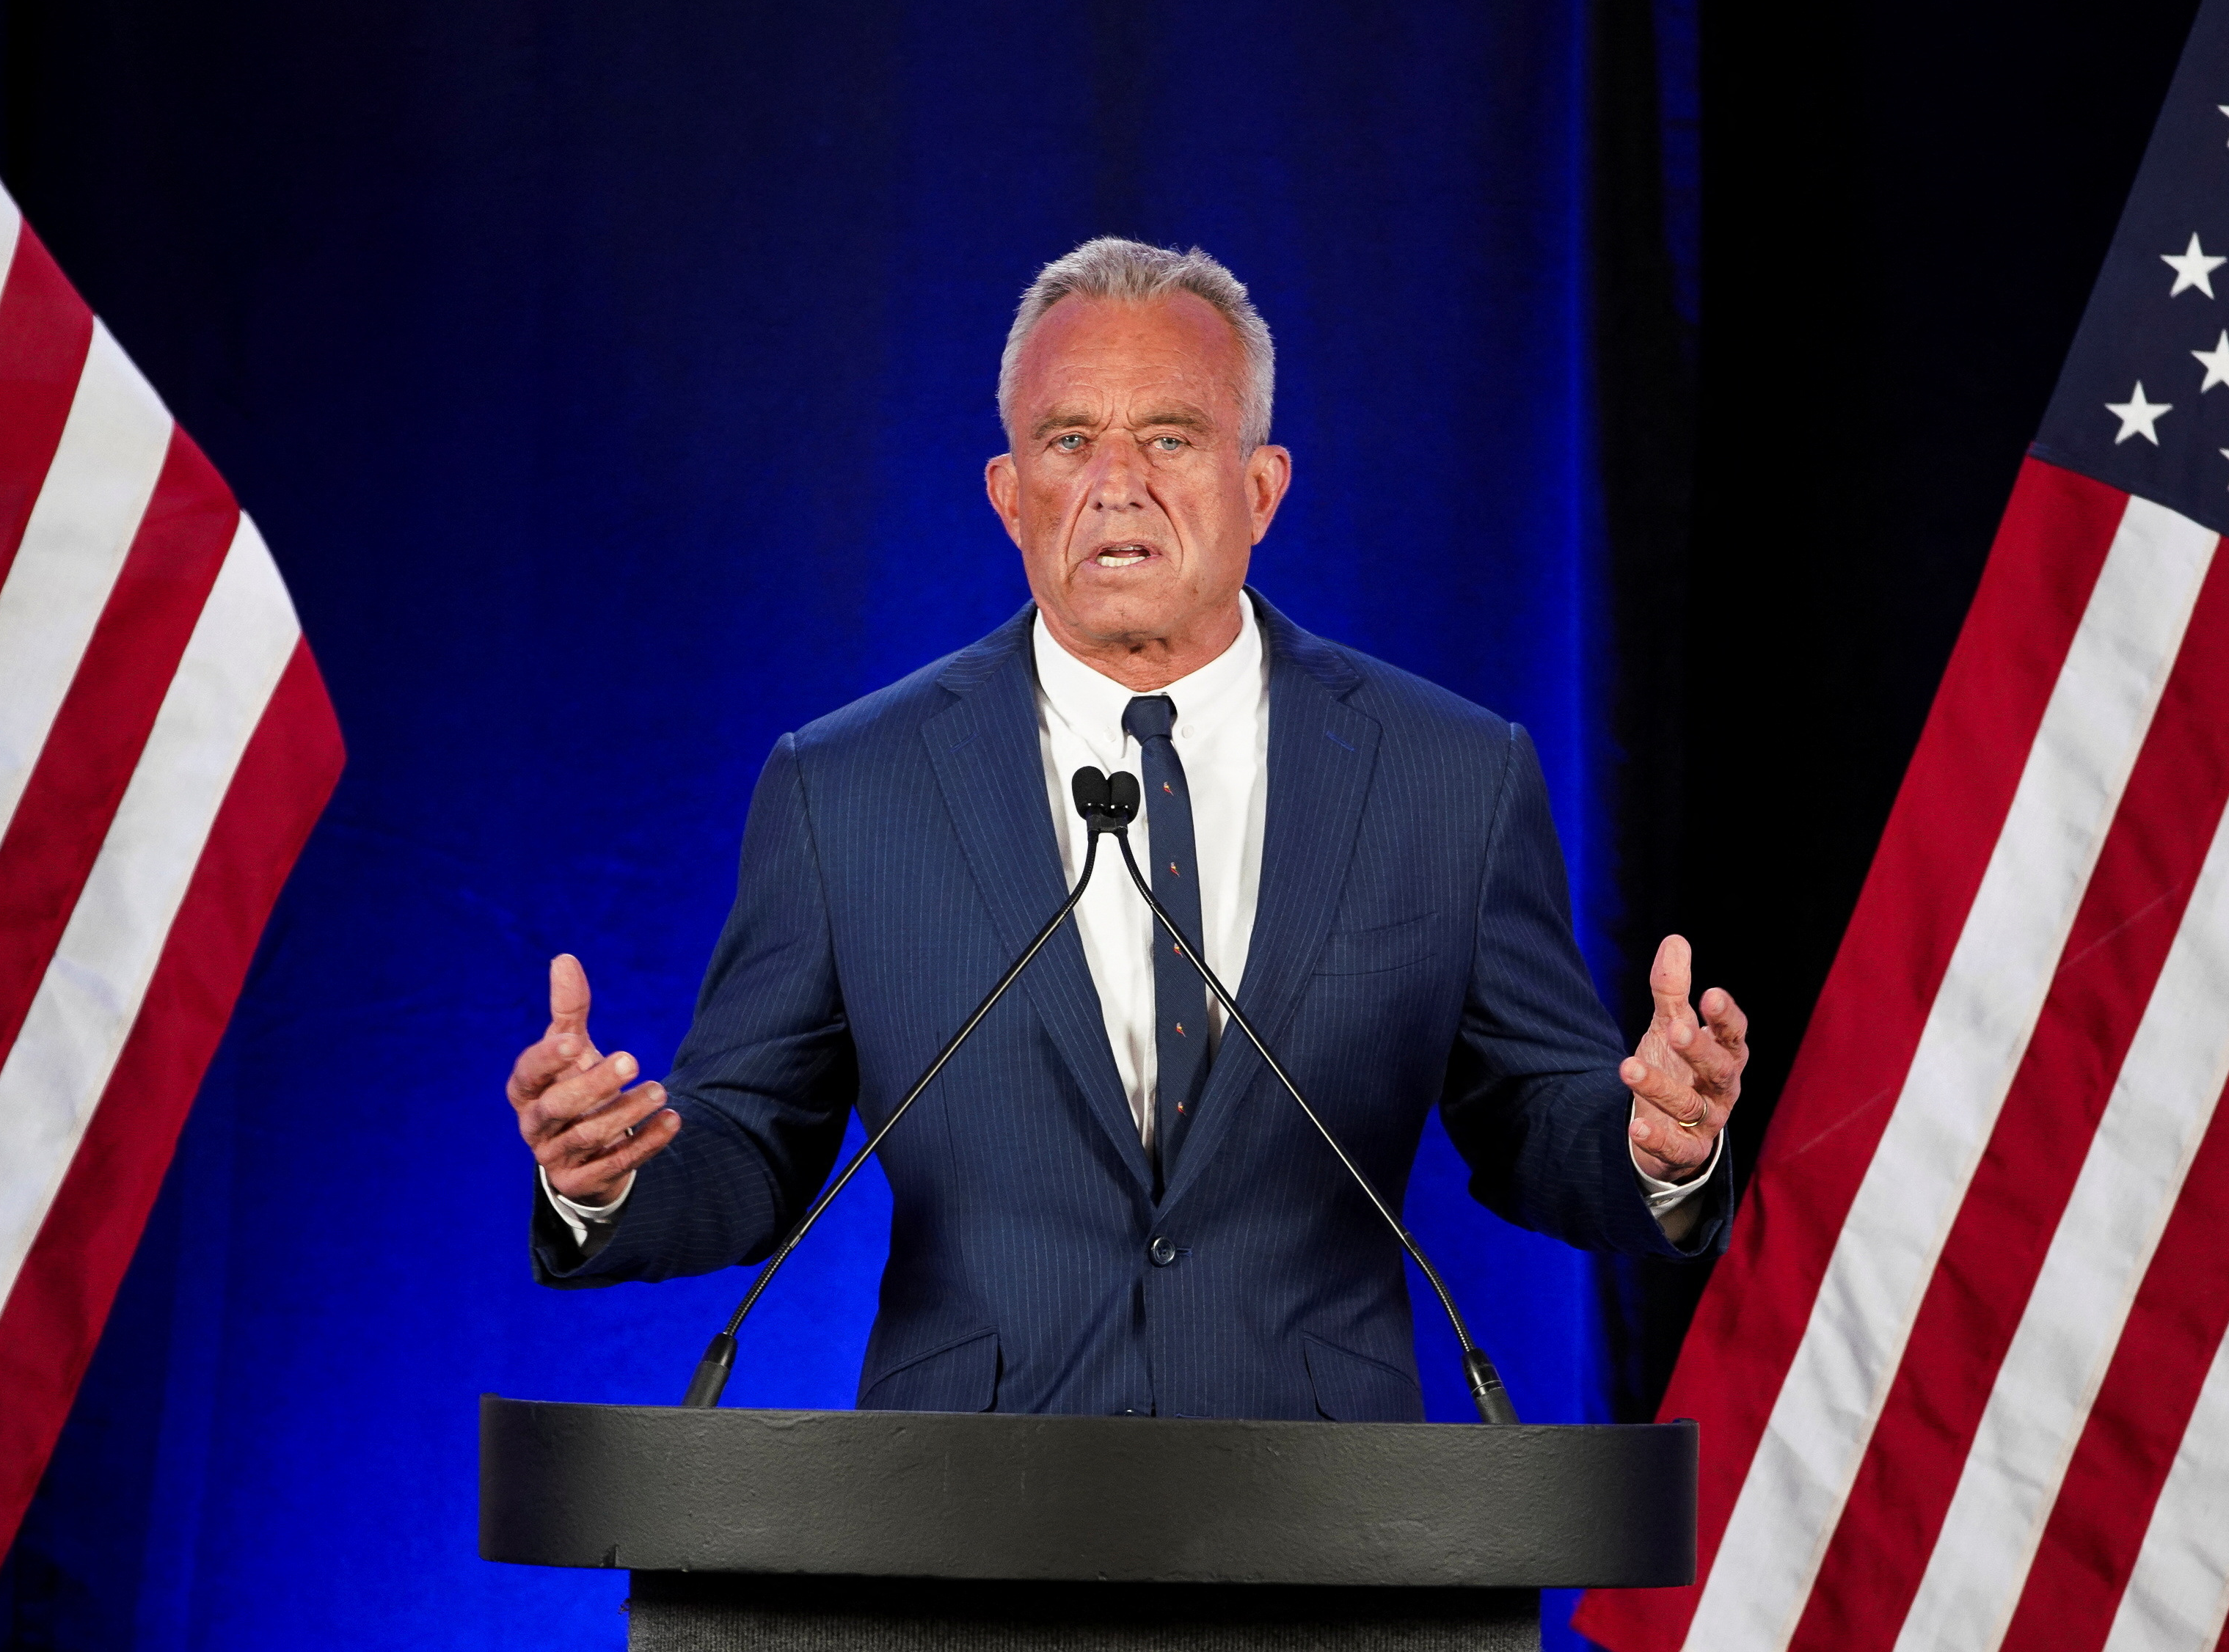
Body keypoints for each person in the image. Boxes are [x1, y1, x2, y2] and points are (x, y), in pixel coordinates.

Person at [504, 238, 1750, 1420]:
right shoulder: (847, 786)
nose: (1115, 485)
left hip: (1324, 1531)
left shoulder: (1450, 773)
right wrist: (608, 1178)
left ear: (1259, 488)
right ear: (1007, 494)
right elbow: (752, 1146)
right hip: (958, 1521)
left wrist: (1654, 1146)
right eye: (1067, 440)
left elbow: (1532, 1115)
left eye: (1169, 435)